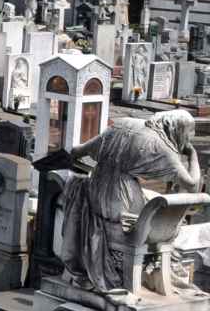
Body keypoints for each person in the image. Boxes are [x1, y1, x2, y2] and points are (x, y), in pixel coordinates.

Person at [60, 110, 202, 294]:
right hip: (120, 204)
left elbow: (75, 152)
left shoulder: (121, 125)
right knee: (163, 214)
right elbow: (192, 184)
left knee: (149, 197)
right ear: (179, 130)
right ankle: (152, 271)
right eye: (189, 133)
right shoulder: (160, 147)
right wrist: (192, 155)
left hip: (95, 196)